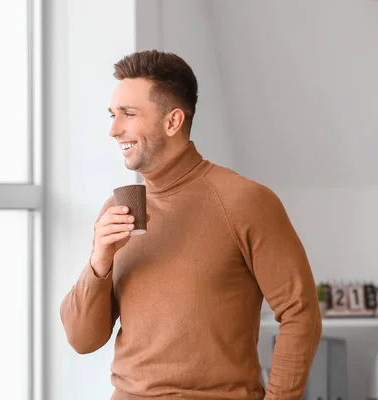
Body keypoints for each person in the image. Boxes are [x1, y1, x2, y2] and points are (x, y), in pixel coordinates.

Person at [60, 50, 322, 400]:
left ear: (173, 122)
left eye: (128, 114)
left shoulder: (246, 201)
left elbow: (300, 314)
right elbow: (82, 340)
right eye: (112, 114)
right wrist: (99, 262)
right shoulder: (119, 208)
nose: (113, 129)